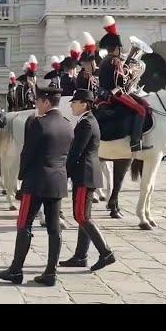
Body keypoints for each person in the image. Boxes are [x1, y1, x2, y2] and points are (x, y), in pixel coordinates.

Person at [0, 76, 73, 286]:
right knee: (54, 229)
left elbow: (27, 155)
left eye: (38, 100)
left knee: (24, 225)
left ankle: (16, 270)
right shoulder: (67, 125)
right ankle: (50, 273)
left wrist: (21, 181)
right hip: (57, 182)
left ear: (46, 101)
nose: (36, 104)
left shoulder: (37, 124)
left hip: (35, 182)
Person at [60, 88, 115, 272]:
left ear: (84, 103)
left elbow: (76, 153)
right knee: (83, 216)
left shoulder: (86, 124)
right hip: (85, 175)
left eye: (74, 102)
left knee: (81, 216)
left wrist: (64, 174)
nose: (72, 105)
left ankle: (106, 253)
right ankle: (80, 256)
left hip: (85, 175)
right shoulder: (87, 120)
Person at [95, 17, 152, 152]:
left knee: (144, 103)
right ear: (116, 48)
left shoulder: (105, 60)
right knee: (141, 110)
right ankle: (135, 142)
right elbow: (121, 82)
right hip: (114, 94)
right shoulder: (115, 60)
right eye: (119, 48)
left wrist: (125, 70)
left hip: (106, 93)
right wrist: (130, 71)